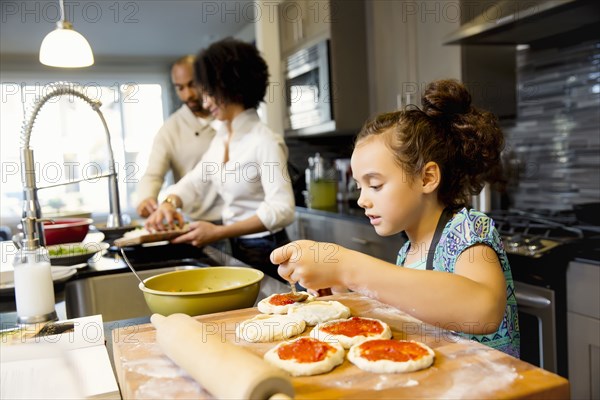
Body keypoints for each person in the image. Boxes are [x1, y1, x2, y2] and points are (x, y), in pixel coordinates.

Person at [271, 79, 520, 357]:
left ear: (427, 178)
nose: (362, 199)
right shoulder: (407, 254)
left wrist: (347, 267)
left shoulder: (468, 229)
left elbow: (484, 309)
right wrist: (343, 291)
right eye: (359, 187)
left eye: (375, 185)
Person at [145, 38, 295, 281]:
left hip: (270, 250)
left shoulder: (264, 140)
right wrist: (169, 203)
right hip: (239, 248)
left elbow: (283, 208)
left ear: (228, 86)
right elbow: (195, 180)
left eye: (209, 92)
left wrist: (219, 231)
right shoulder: (222, 137)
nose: (205, 102)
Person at [136, 55, 222, 221]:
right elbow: (153, 174)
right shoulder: (170, 129)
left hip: (242, 223)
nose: (188, 94)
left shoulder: (227, 119)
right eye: (180, 88)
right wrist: (146, 198)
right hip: (200, 222)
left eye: (192, 84)